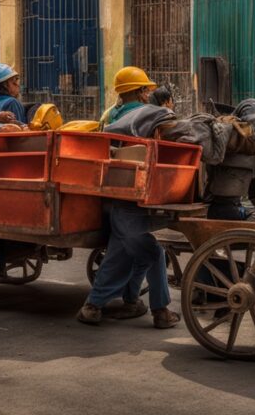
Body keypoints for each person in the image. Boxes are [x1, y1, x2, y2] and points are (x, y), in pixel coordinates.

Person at [77, 66, 180, 329]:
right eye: (146, 89)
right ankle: (160, 311)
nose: (148, 94)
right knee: (152, 252)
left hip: (111, 197)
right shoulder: (146, 116)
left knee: (123, 252)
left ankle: (115, 303)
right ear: (141, 92)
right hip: (130, 199)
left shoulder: (112, 117)